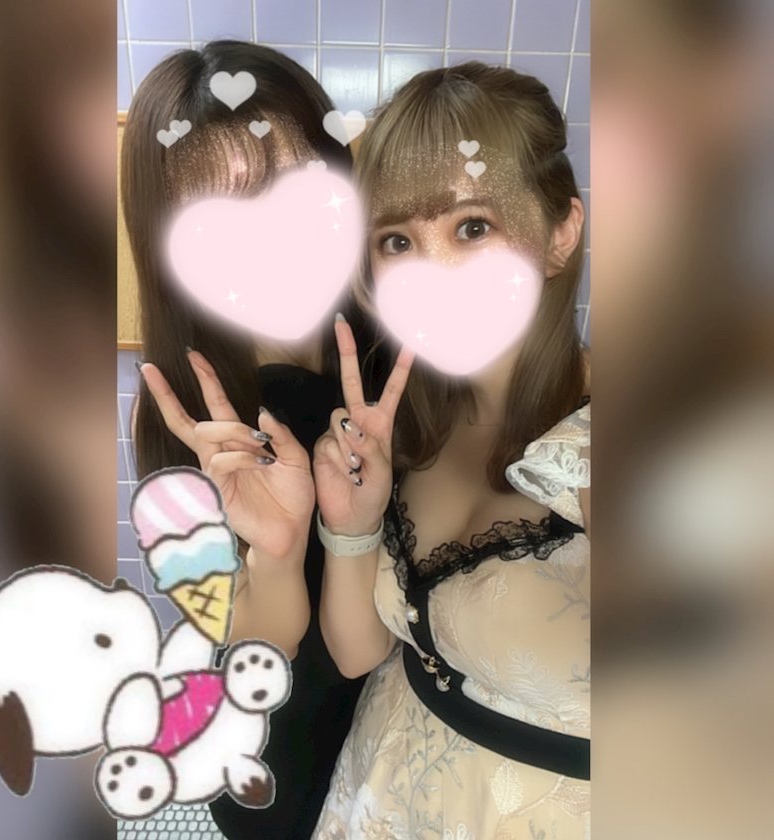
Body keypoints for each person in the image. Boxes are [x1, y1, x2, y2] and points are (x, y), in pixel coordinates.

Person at [313, 62, 591, 839]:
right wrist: (352, 526)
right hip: (377, 796)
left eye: (472, 227)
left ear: (560, 233)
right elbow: (359, 654)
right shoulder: (408, 427)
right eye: (398, 241)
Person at [122, 40, 383, 840]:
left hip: (407, 738)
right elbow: (250, 646)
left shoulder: (391, 360)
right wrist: (277, 553)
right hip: (281, 760)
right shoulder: (184, 422)